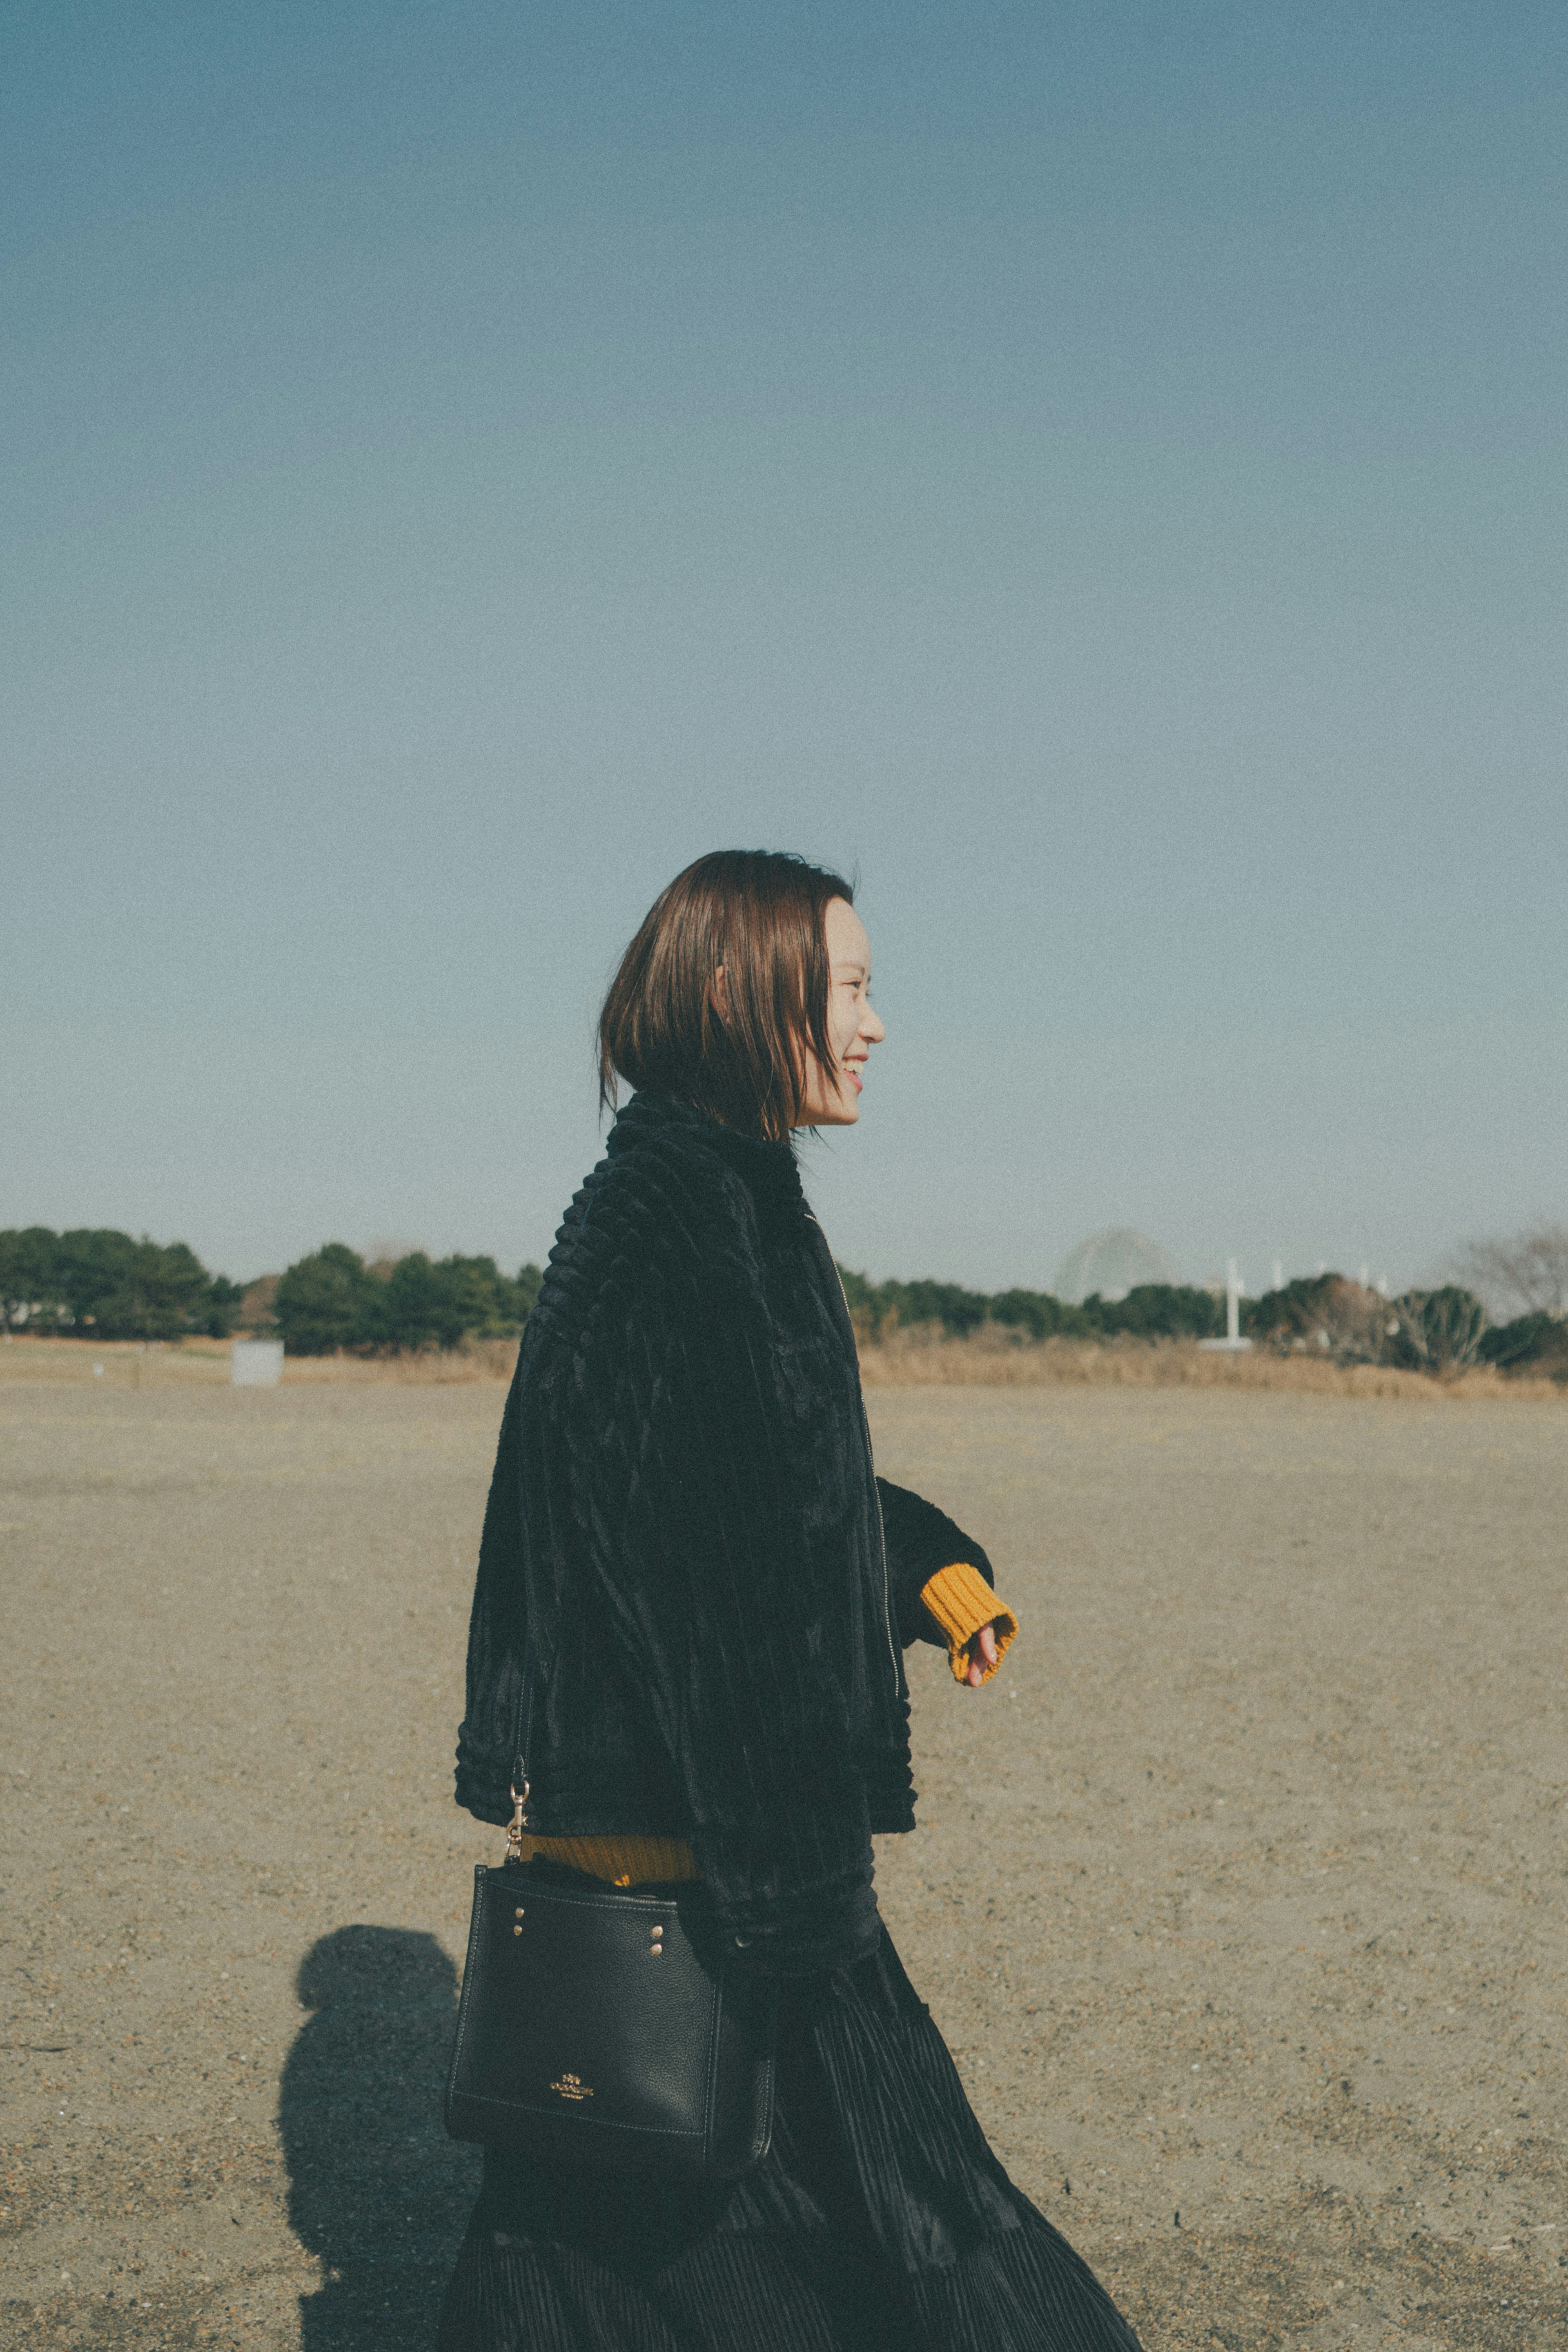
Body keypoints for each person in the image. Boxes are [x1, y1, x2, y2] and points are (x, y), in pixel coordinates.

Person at [439, 850, 1143, 2352]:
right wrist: (801, 1900)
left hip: (666, 1824)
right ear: (729, 991)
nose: (878, 1025)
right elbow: (709, 1572)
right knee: (917, 2217)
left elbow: (758, 1485)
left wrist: (921, 1566)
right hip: (710, 1849)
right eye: (853, 988)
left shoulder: (706, 1196)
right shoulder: (692, 1225)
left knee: (603, 2244)